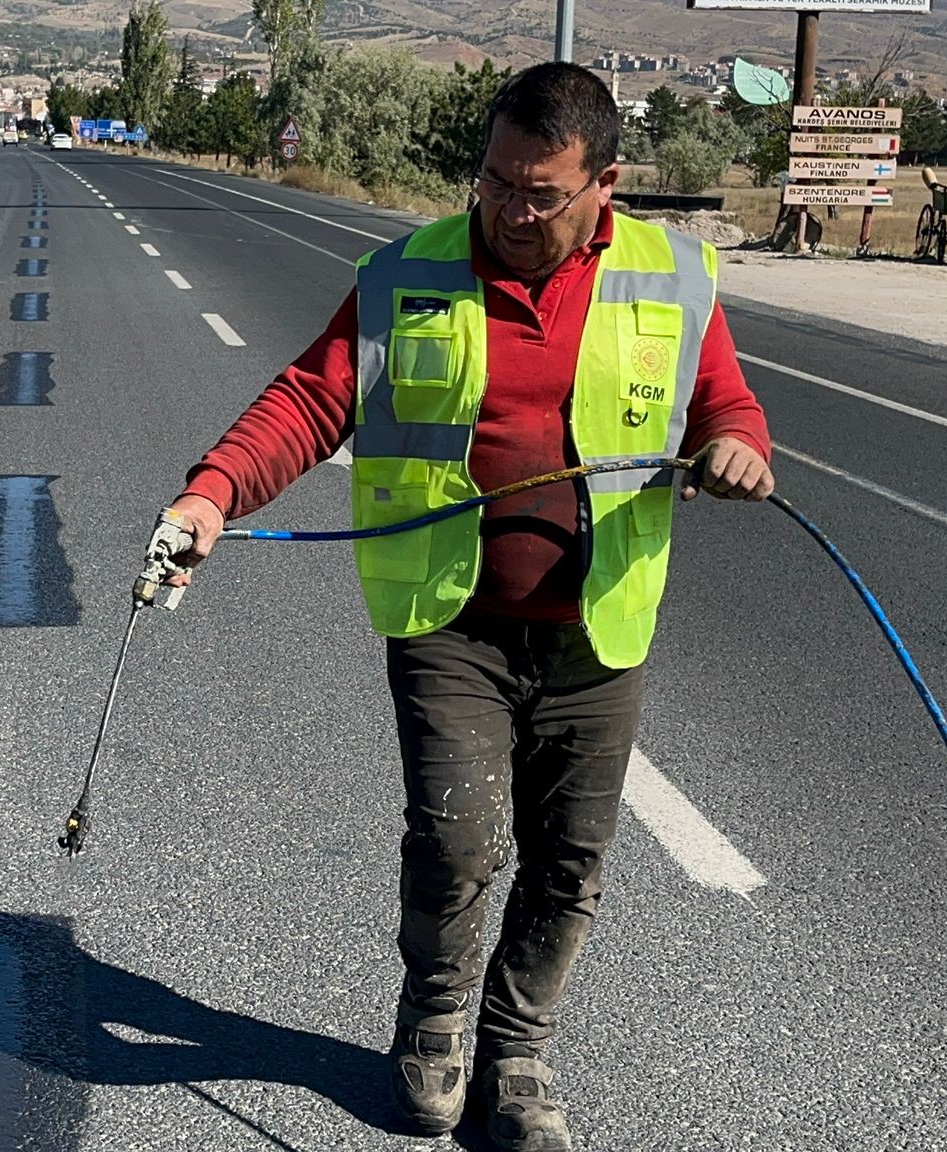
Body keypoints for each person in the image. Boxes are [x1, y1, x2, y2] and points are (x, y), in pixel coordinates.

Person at [155, 63, 774, 1151]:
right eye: (493, 183)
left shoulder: (673, 276)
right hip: (450, 621)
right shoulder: (408, 273)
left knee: (569, 859)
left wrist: (736, 447)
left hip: (598, 627)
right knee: (454, 842)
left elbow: (722, 401)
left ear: (604, 184)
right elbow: (310, 401)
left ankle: (517, 1050)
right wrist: (211, 493)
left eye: (539, 193)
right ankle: (434, 1022)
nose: (508, 210)